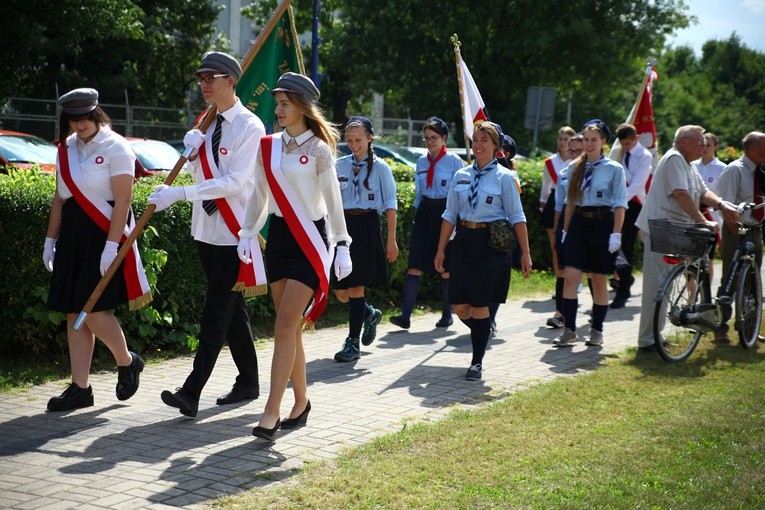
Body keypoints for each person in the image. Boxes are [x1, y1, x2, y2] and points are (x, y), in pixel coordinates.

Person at [149, 52, 266, 418]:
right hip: (207, 228)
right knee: (232, 310)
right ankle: (248, 380)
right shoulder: (207, 122)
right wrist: (196, 155)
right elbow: (206, 177)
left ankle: (192, 390)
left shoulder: (250, 126)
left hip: (236, 234)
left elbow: (233, 183)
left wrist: (179, 194)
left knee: (216, 311)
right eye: (200, 78)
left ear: (231, 80)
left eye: (211, 78)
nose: (204, 84)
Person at [237, 72, 352, 441]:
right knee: (292, 330)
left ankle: (272, 410)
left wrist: (342, 242)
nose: (279, 110)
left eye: (285, 104)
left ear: (303, 106)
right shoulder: (267, 146)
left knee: (285, 326)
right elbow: (259, 194)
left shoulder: (319, 149)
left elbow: (333, 201)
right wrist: (246, 230)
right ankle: (301, 401)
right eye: (278, 104)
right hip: (282, 238)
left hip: (311, 240)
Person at [43, 87, 149, 411]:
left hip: (103, 234)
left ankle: (127, 360)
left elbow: (123, 202)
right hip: (73, 236)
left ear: (96, 112)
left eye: (84, 117)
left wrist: (111, 246)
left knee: (95, 309)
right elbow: (61, 199)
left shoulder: (116, 146)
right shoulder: (67, 149)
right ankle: (80, 388)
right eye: (72, 119)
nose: (79, 124)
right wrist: (50, 241)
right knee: (74, 311)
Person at [434, 122, 532, 381]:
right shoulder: (461, 175)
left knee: (479, 305)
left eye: (484, 140)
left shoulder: (505, 177)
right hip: (465, 241)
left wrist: (526, 253)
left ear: (496, 146)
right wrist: (441, 250)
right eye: (475, 140)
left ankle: (476, 362)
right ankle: (484, 329)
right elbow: (449, 215)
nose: (478, 145)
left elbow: (517, 216)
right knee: (459, 306)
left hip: (491, 246)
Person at [634, 125, 738, 352]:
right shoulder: (673, 159)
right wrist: (703, 221)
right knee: (656, 286)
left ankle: (656, 335)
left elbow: (702, 192)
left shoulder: (687, 164)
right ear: (684, 141)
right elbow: (680, 194)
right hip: (659, 228)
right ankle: (647, 341)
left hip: (673, 229)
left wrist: (722, 204)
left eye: (705, 143)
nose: (704, 145)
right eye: (700, 141)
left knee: (666, 285)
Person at [553, 120, 626, 348]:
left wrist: (616, 234)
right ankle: (570, 330)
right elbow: (570, 202)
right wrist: (564, 231)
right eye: (586, 139)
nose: (589, 143)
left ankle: (597, 330)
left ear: (604, 142)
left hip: (603, 224)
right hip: (577, 225)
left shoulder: (614, 169)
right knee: (570, 278)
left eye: (594, 139)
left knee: (598, 280)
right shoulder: (575, 167)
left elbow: (621, 204)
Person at [332, 116, 398, 362]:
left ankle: (353, 343)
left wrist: (391, 240)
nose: (353, 144)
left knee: (356, 286)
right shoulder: (339, 165)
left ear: (370, 138)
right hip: (343, 227)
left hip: (367, 226)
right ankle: (369, 313)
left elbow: (391, 205)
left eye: (358, 139)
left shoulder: (381, 168)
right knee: (341, 291)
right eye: (349, 140)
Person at [389, 117, 464, 330]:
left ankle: (447, 314)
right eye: (426, 138)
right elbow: (419, 191)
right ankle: (405, 316)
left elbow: (459, 192)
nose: (429, 142)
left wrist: (457, 219)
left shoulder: (454, 162)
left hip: (446, 213)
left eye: (434, 138)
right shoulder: (421, 161)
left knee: (445, 266)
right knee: (415, 262)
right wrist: (418, 212)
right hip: (425, 211)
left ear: (443, 139)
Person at [714, 131, 765, 343]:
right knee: (731, 277)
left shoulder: (761, 170)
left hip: (755, 230)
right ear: (752, 149)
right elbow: (725, 205)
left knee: (753, 279)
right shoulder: (734, 170)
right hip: (736, 230)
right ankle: (720, 326)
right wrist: (735, 229)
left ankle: (748, 326)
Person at [610, 123, 653, 309]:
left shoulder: (644, 155)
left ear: (635, 139)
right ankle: (625, 279)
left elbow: (637, 185)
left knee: (625, 246)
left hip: (634, 204)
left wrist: (618, 201)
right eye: (622, 143)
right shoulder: (619, 152)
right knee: (613, 244)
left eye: (628, 143)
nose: (625, 146)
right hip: (617, 204)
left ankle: (623, 290)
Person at [540, 126, 576, 329]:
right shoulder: (551, 162)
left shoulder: (576, 161)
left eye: (566, 138)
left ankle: (571, 287)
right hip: (555, 203)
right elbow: (545, 187)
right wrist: (542, 205)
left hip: (573, 204)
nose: (562, 142)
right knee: (555, 247)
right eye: (560, 138)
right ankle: (560, 280)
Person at [487, 133, 519, 337]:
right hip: (478, 232)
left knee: (497, 280)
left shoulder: (510, 176)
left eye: (503, 151)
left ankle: (490, 318)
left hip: (501, 235)